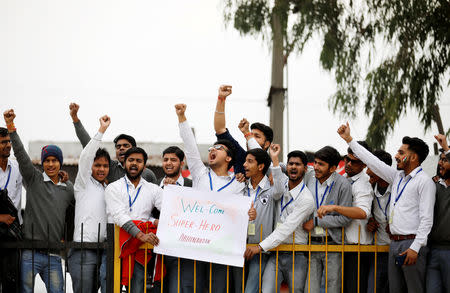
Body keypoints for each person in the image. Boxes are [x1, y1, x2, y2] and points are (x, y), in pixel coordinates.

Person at [338, 122, 435, 293]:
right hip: (394, 244)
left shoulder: (424, 182)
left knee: (414, 289)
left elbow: (427, 219)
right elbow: (372, 161)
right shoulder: (397, 177)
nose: (396, 156)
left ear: (413, 157)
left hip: (412, 244)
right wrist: (349, 140)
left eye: (401, 152)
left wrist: (415, 247)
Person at [175, 103, 256, 293]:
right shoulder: (200, 174)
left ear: (229, 158)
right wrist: (182, 117)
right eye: (211, 148)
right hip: (195, 246)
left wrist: (250, 213)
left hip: (222, 250)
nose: (213, 150)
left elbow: (243, 211)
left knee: (218, 289)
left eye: (218, 148)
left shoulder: (239, 184)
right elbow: (190, 146)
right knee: (191, 287)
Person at [5, 109, 74, 293]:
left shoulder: (68, 189)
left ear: (60, 163)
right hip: (29, 252)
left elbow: (78, 210)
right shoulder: (34, 179)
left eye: (54, 160)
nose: (50, 164)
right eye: (47, 161)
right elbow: (20, 154)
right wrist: (11, 126)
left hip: (53, 255)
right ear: (42, 163)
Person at [246, 147, 315, 293]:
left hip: (296, 253)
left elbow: (286, 228)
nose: (293, 167)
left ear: (305, 169)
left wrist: (259, 247)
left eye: (298, 164)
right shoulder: (280, 186)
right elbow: (268, 165)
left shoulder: (307, 199)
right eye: (290, 164)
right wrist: (275, 157)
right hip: (275, 252)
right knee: (267, 291)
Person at [317, 141, 374, 293]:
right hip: (342, 245)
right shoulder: (345, 180)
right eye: (346, 159)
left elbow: (363, 213)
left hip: (358, 249)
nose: (348, 164)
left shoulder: (363, 184)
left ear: (364, 164)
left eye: (354, 161)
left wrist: (335, 208)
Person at [105, 147, 162, 293]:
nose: (134, 164)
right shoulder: (113, 188)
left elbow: (169, 210)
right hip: (117, 247)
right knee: (111, 286)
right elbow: (119, 216)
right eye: (131, 160)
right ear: (124, 163)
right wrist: (142, 234)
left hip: (140, 249)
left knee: (137, 286)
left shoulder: (153, 189)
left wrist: (155, 221)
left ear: (144, 165)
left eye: (139, 161)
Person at [68, 115, 111, 293]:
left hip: (104, 250)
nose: (101, 169)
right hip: (83, 250)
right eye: (97, 165)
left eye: (105, 166)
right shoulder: (83, 183)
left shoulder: (110, 188)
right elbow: (86, 156)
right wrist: (101, 130)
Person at [302, 146, 352, 293]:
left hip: (333, 245)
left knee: (332, 289)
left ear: (333, 168)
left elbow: (346, 219)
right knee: (310, 289)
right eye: (315, 162)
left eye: (321, 164)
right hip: (311, 244)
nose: (316, 167)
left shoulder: (343, 184)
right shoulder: (309, 177)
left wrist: (317, 221)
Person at [69, 103, 157, 184]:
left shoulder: (147, 174)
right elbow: (90, 146)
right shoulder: (110, 167)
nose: (121, 148)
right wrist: (75, 118)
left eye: (125, 146)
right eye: (118, 147)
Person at [155, 146, 192, 293]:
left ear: (182, 163)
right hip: (157, 248)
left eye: (173, 160)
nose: (168, 163)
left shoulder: (192, 185)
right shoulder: (154, 185)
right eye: (165, 160)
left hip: (183, 249)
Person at [366, 149, 393, 293]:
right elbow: (364, 213)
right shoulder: (368, 187)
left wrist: (397, 224)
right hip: (378, 251)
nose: (367, 172)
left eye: (370, 167)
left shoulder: (399, 187)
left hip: (399, 249)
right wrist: (369, 221)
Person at [0, 126, 23, 293]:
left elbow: (34, 179)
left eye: (8, 141)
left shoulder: (17, 167)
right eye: (3, 142)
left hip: (12, 234)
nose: (8, 145)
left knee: (12, 285)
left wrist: (59, 176)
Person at [426, 134, 450, 293]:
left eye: (445, 160)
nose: (440, 163)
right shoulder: (433, 185)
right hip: (432, 251)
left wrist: (447, 148)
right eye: (440, 159)